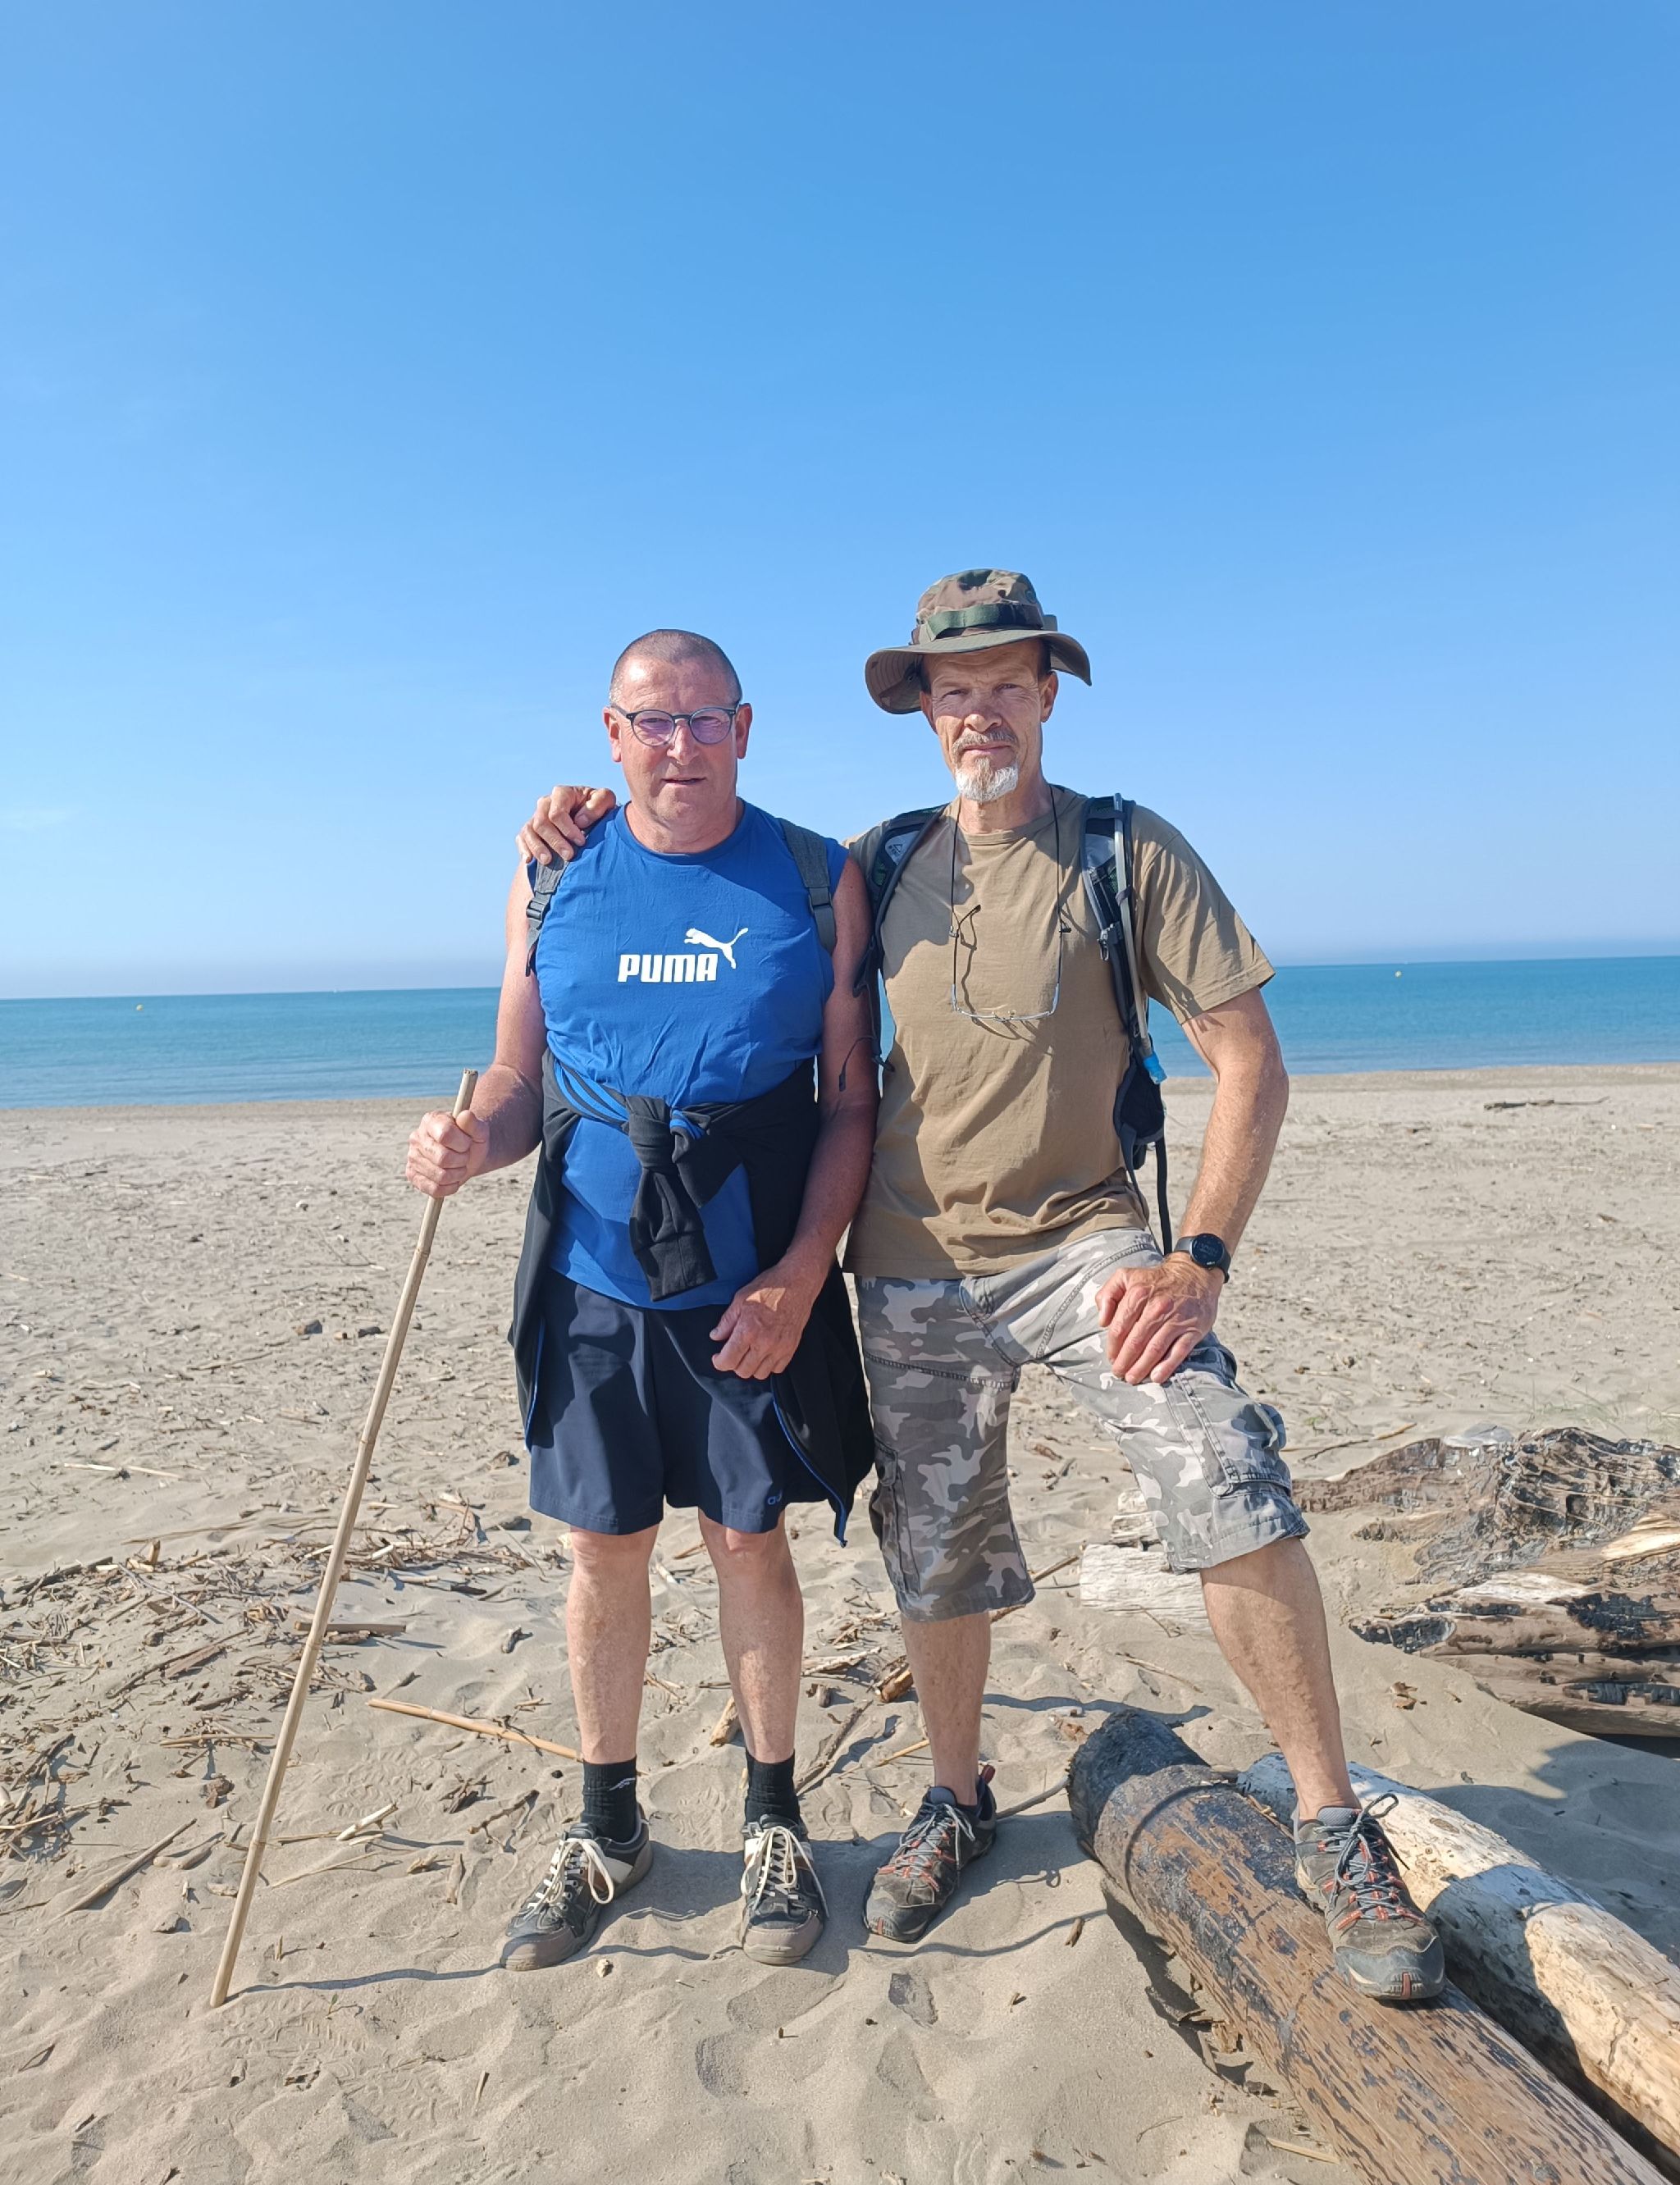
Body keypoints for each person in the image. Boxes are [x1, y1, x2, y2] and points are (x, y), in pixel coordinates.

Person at [514, 575, 1446, 2004]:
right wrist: (576, 817)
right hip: (908, 1260)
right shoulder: (874, 864)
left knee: (1225, 1474)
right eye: (957, 690)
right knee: (937, 1547)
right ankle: (956, 1800)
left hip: (1089, 1245)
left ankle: (1334, 1827)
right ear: (926, 710)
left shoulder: (1127, 850)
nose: (982, 712)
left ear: (1048, 695)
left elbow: (1250, 1061)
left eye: (1008, 684)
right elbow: (749, 954)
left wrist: (1199, 1258)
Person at [408, 627, 876, 1972]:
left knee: (747, 1542)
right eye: (651, 722)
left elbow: (853, 1099)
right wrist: (469, 1144)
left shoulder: (816, 877)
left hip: (747, 1284)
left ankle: (774, 1821)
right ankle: (609, 1827)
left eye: (703, 718)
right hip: (590, 1280)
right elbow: (516, 1082)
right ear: (610, 736)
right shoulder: (552, 873)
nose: (679, 745)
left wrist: (802, 1275)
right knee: (601, 1551)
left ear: (745, 728)